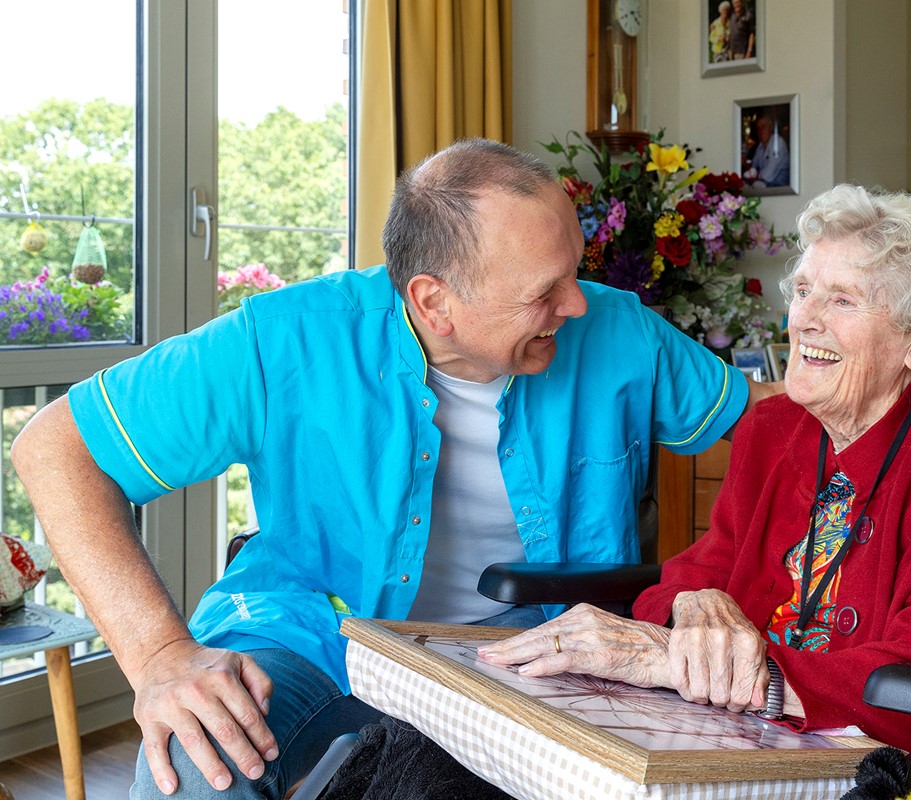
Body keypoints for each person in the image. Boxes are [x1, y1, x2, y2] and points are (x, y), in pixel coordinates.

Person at [11, 139, 774, 799]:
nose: (576, 306)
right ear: (432, 300)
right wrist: (159, 657)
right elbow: (56, 447)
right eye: (544, 292)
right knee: (195, 757)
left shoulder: (621, 333)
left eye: (575, 271)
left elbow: (780, 427)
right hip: (315, 632)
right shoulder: (288, 339)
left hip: (538, 652)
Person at [481, 184, 911, 753]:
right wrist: (692, 601)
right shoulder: (773, 427)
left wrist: (677, 661)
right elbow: (704, 566)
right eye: (803, 291)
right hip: (717, 725)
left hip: (855, 752)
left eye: (842, 300)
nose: (805, 321)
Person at [745, 113, 790, 188]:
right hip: (766, 188)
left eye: (764, 126)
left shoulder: (778, 143)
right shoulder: (760, 147)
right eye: (758, 128)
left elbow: (768, 175)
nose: (761, 131)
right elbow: (753, 167)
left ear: (771, 127)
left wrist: (754, 175)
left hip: (781, 190)